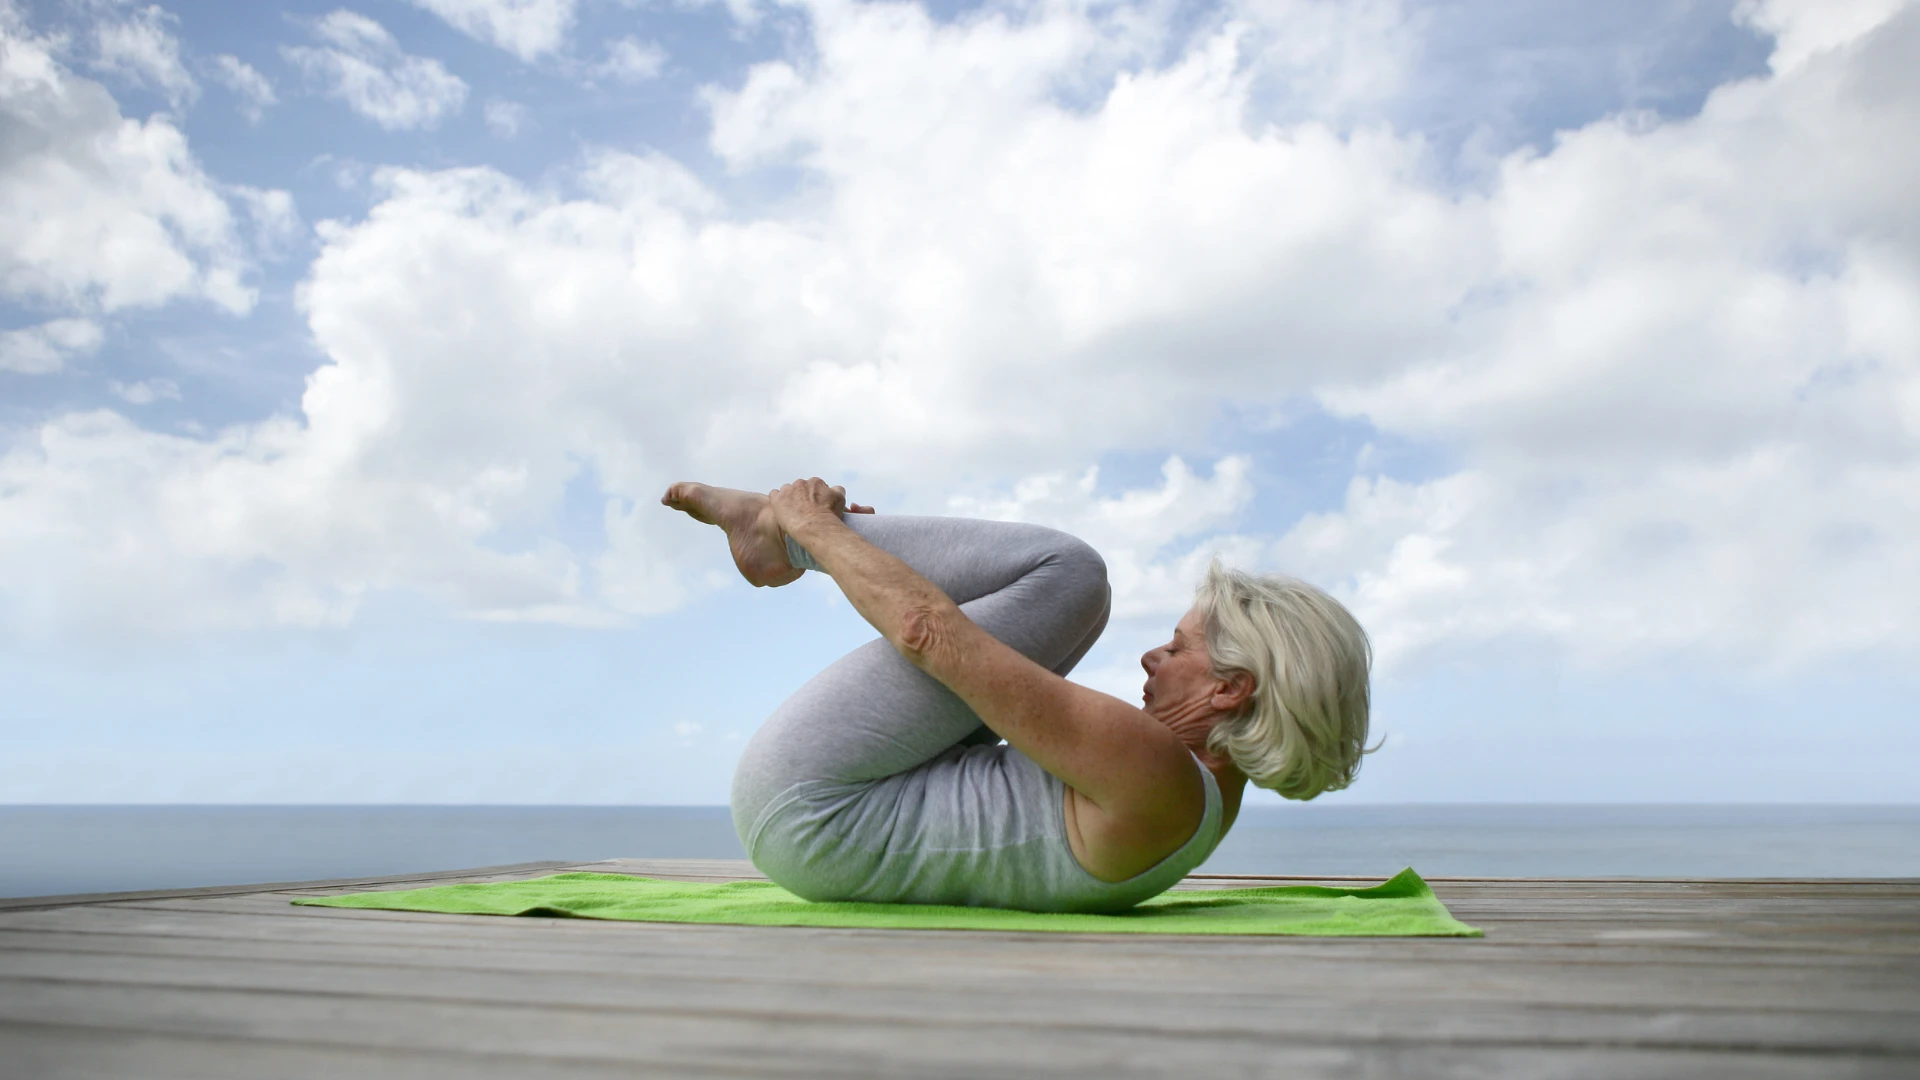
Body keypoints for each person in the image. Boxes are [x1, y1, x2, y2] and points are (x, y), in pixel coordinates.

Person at [662, 477, 1372, 913]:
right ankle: (778, 533)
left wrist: (812, 524)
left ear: (1230, 689)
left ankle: (776, 533)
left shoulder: (1157, 771)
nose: (1152, 656)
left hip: (813, 802)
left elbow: (926, 634)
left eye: (1178, 648)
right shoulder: (1203, 805)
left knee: (1073, 577)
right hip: (831, 824)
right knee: (1072, 607)